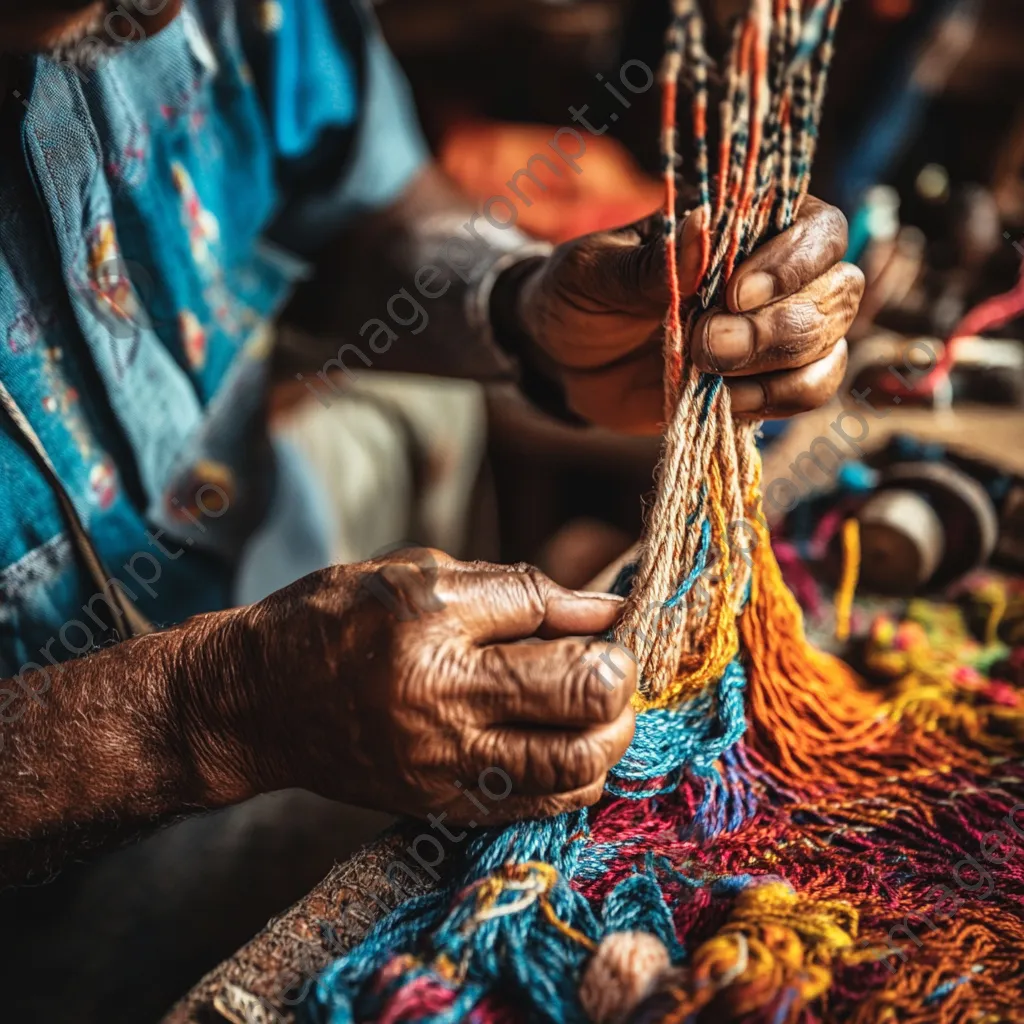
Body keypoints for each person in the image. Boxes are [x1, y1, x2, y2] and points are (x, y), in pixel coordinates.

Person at [0, 0, 862, 1016]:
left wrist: (515, 311)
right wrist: (207, 710)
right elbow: (224, 710)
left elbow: (369, 212)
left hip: (271, 589)